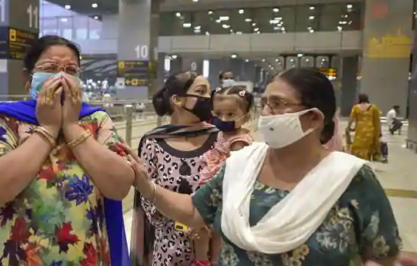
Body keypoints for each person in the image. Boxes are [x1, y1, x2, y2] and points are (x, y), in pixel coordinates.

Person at [126, 67, 402, 266]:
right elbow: (195, 211)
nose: (267, 113)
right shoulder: (242, 164)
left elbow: (381, 255)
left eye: (278, 104)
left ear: (314, 118)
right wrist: (147, 186)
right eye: (265, 103)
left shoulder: (350, 178)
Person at [0, 36, 132, 266]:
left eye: (70, 70)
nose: (61, 76)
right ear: (28, 76)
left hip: (86, 256)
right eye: (50, 68)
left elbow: (120, 185)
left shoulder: (97, 120)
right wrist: (49, 129)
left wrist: (71, 127)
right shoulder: (5, 120)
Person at [130, 71, 217, 266]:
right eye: (201, 92)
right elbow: (147, 198)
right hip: (169, 248)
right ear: (177, 100)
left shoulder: (220, 139)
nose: (207, 98)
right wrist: (184, 220)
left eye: (209, 93)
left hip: (214, 243)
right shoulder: (153, 142)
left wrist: (205, 223)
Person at [195, 86, 256, 264]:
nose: (223, 119)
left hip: (224, 191)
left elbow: (235, 170)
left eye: (231, 114)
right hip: (213, 184)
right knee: (205, 230)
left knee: (214, 232)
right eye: (218, 113)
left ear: (246, 116)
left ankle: (209, 261)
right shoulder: (223, 134)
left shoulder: (239, 141)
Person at [347, 93, 384, 162]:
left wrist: (348, 128)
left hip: (359, 130)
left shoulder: (356, 107)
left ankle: (359, 162)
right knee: (368, 148)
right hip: (370, 131)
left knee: (358, 147)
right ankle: (367, 161)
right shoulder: (373, 107)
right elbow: (378, 121)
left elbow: (351, 119)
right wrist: (380, 131)